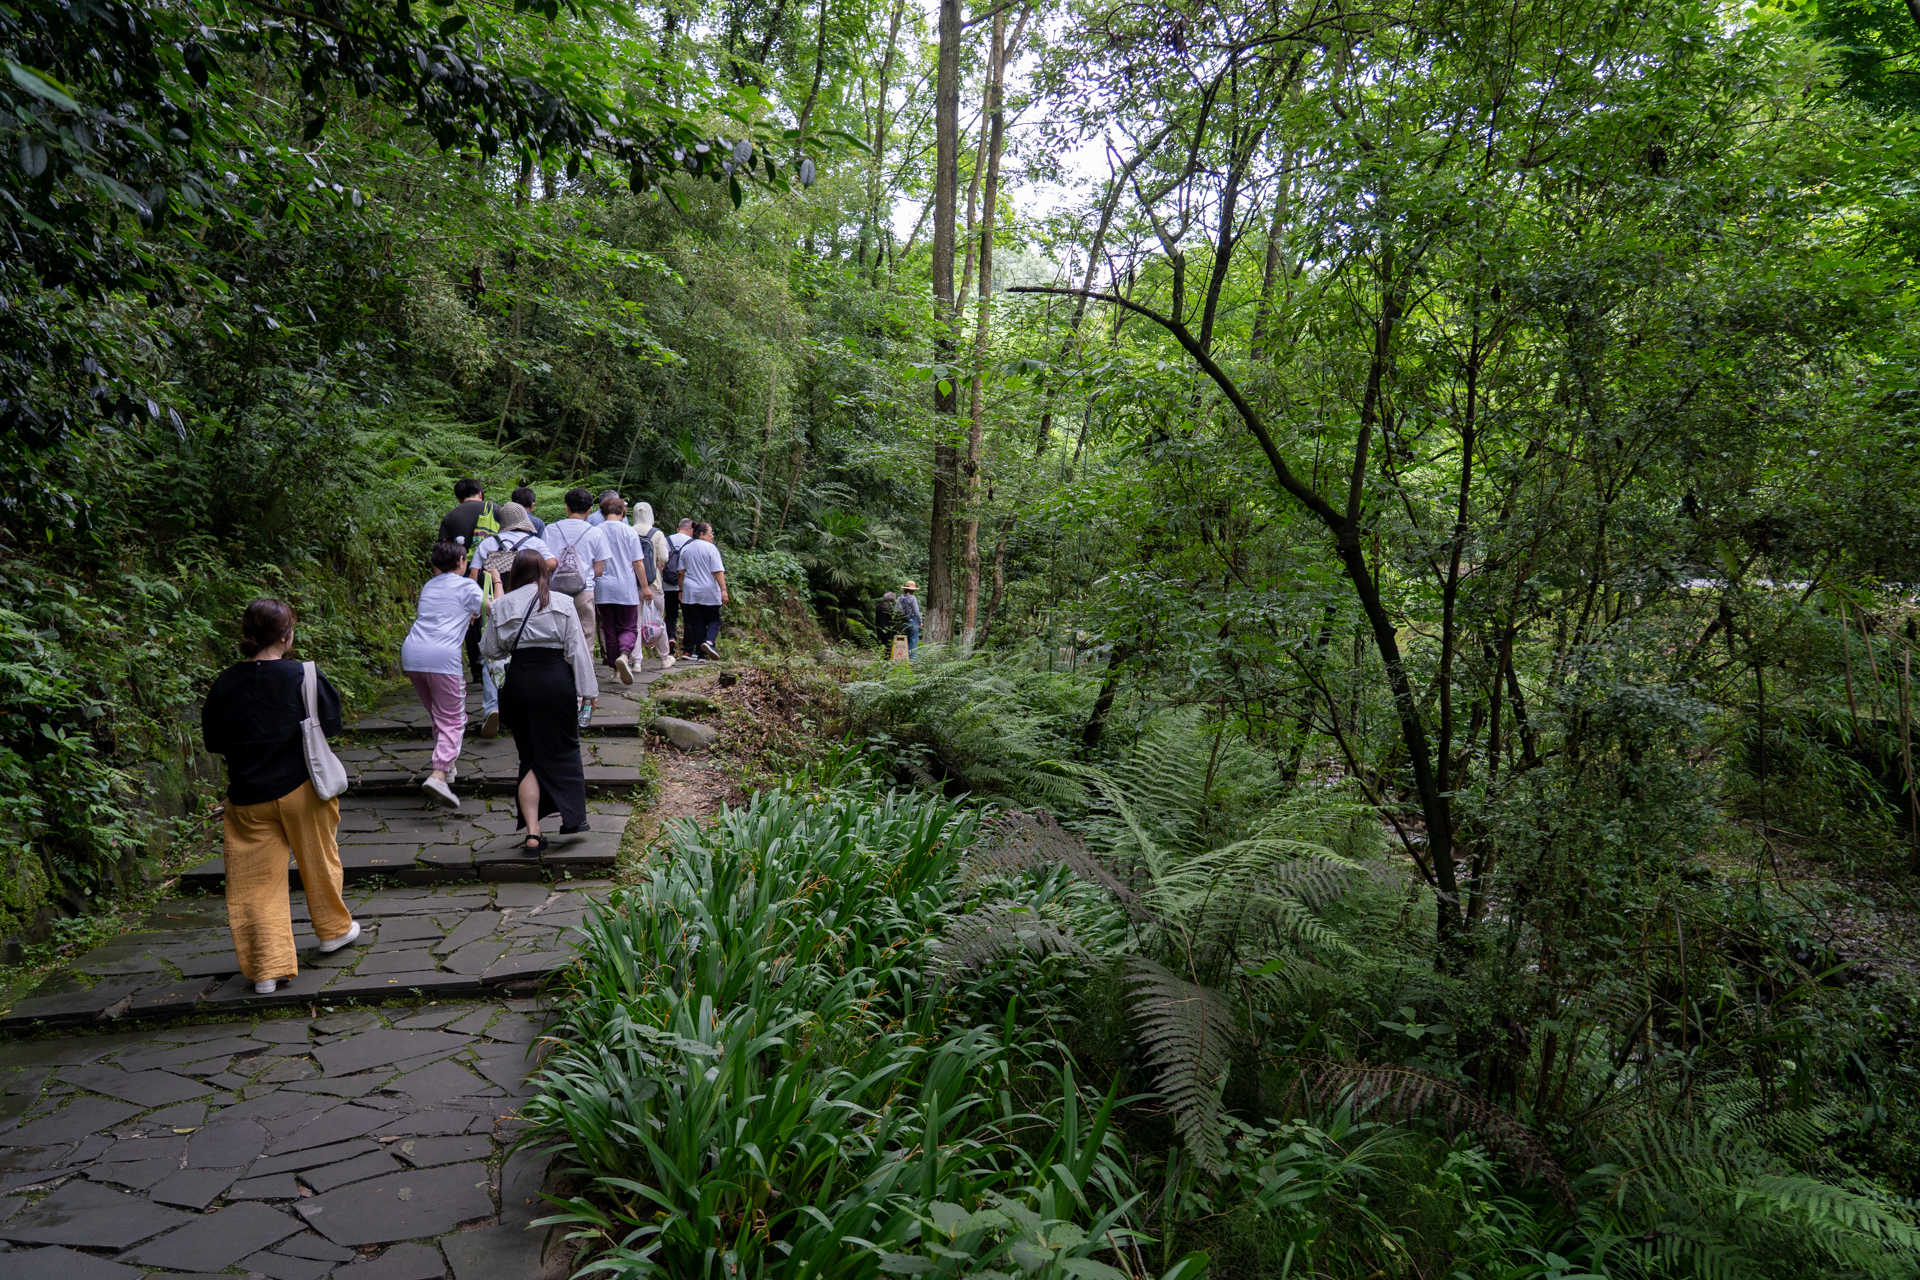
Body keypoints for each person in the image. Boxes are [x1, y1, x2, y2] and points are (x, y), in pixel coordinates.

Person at [199, 599, 362, 995]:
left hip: (248, 796)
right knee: (319, 861)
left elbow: (214, 741)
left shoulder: (224, 683)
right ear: (286, 636)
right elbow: (332, 725)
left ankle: (266, 970)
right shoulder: (303, 674)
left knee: (254, 883)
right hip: (303, 788)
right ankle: (333, 930)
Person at [481, 550, 599, 854]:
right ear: (543, 573)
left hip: (520, 682)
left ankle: (533, 833)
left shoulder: (502, 605)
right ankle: (572, 817)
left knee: (530, 757)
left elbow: (490, 649)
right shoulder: (562, 602)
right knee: (564, 749)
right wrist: (589, 691)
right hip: (555, 681)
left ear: (515, 573)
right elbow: (577, 651)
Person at [400, 541, 483, 810]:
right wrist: (495, 583)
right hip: (441, 658)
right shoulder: (468, 586)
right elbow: (489, 608)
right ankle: (438, 774)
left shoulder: (429, 585)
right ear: (460, 561)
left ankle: (447, 769)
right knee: (452, 719)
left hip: (413, 654)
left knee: (439, 714)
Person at [467, 502, 554, 737]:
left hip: (494, 605)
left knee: (492, 655)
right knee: (526, 652)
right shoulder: (534, 543)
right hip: (526, 605)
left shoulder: (487, 543)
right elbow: (552, 563)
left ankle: (491, 708)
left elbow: (473, 575)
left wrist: (474, 607)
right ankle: (524, 708)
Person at [436, 479, 497, 689]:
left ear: (458, 498)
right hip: (496, 570)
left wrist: (440, 582)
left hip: (462, 571)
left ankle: (477, 670)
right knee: (496, 612)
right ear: (480, 493)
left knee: (470, 620)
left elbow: (442, 552)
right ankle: (497, 664)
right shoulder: (496, 509)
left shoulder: (451, 517)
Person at [591, 495, 651, 684]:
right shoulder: (629, 531)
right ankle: (624, 655)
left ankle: (616, 669)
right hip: (625, 587)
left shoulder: (595, 531)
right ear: (622, 512)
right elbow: (638, 562)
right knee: (628, 626)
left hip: (602, 588)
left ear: (602, 512)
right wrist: (645, 587)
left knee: (609, 628)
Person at [545, 488, 605, 656]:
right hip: (584, 590)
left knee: (557, 635)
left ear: (567, 507)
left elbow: (544, 563)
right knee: (586, 635)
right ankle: (585, 670)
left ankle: (560, 669)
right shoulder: (596, 532)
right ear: (589, 509)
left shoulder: (550, 529)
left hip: (555, 591)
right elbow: (599, 570)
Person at [633, 501, 675, 669]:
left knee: (636, 622)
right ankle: (664, 658)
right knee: (659, 620)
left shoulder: (629, 531)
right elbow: (664, 558)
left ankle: (637, 661)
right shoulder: (657, 533)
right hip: (654, 583)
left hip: (633, 583)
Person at [679, 520, 728, 661]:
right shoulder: (710, 548)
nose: (712, 536)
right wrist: (723, 590)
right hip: (708, 590)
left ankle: (701, 654)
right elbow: (718, 571)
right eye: (710, 533)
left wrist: (681, 590)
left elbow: (680, 572)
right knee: (714, 619)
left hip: (691, 591)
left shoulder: (686, 549)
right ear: (702, 534)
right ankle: (709, 642)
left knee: (697, 622)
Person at [661, 517, 694, 656]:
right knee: (689, 618)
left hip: (667, 584)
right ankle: (687, 650)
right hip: (685, 586)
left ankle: (671, 638)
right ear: (691, 530)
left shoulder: (666, 540)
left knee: (670, 614)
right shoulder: (692, 543)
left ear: (678, 529)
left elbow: (660, 561)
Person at [898, 580, 922, 654]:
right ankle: (912, 658)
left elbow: (896, 610)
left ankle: (905, 657)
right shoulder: (912, 598)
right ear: (912, 590)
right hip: (912, 620)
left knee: (906, 640)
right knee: (913, 640)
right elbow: (916, 611)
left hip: (903, 621)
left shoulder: (900, 598)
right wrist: (920, 621)